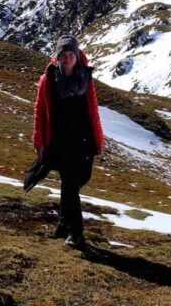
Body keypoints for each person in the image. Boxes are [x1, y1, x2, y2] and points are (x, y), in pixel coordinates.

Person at [31, 34, 104, 249]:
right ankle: (76, 233)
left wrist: (98, 139)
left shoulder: (85, 77)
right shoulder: (49, 79)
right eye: (63, 54)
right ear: (57, 56)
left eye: (71, 54)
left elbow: (93, 110)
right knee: (70, 186)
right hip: (60, 142)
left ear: (77, 55)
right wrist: (39, 140)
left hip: (83, 141)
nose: (67, 58)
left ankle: (64, 223)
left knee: (74, 183)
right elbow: (40, 111)